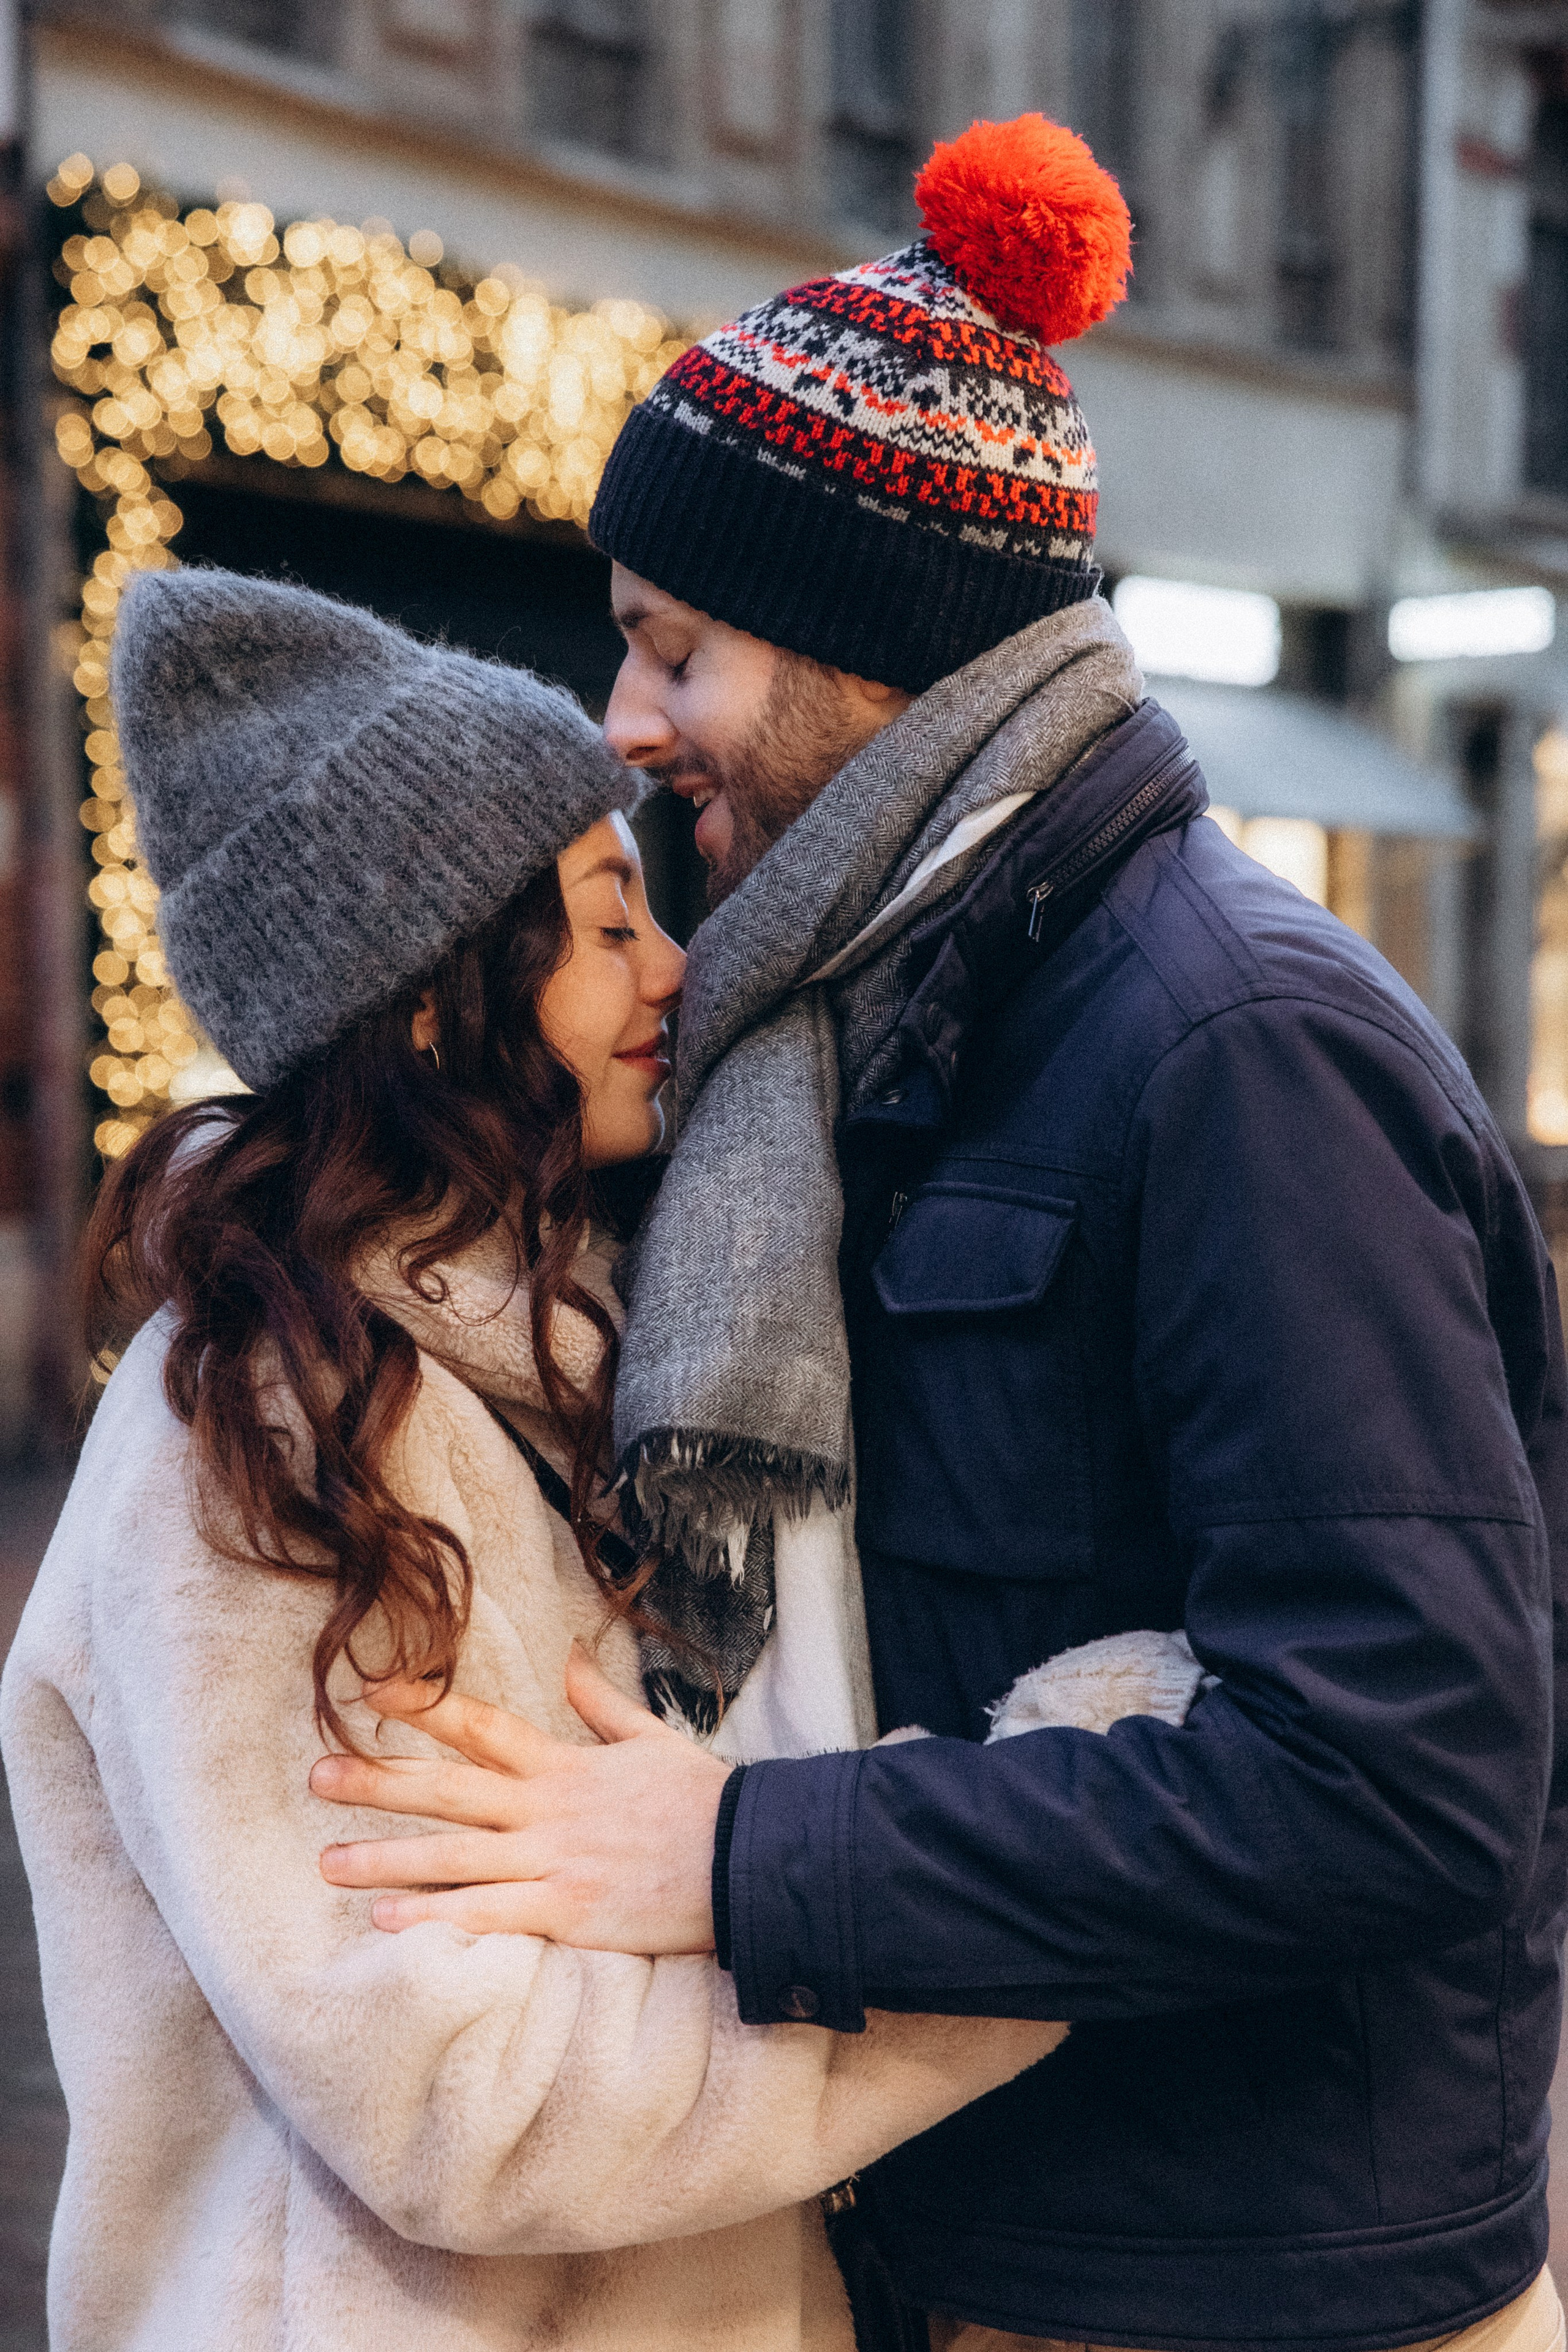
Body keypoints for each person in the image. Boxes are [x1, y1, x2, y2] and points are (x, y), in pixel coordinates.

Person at [314, 114, 1568, 2352]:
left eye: (673, 649)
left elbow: (1398, 1778)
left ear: (869, 646)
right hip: (984, 2250)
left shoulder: (1230, 1048)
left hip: (1249, 2294)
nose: (627, 724)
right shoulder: (872, 1034)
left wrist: (738, 1859)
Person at [0, 568, 1086, 2352]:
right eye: (605, 924)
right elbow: (461, 2100)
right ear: (436, 998)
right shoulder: (265, 1440)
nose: (674, 965)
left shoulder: (583, 1344)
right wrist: (1028, 1914)